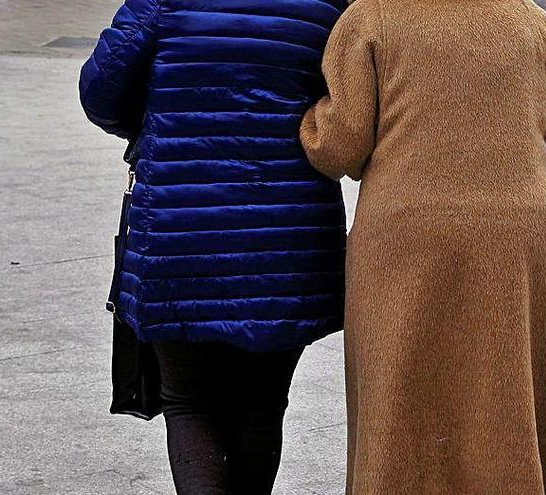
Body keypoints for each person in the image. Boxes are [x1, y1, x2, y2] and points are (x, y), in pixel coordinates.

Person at [300, 0, 546, 493]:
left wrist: (308, 120)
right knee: (506, 384)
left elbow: (339, 147)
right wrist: (540, 191)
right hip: (514, 229)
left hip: (407, 232)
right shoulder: (526, 17)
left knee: (399, 386)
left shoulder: (371, 16)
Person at [79, 0, 349, 493]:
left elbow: (100, 91)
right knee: (262, 405)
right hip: (287, 238)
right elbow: (346, 111)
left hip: (180, 232)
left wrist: (156, 128)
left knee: (188, 400)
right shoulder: (326, 6)